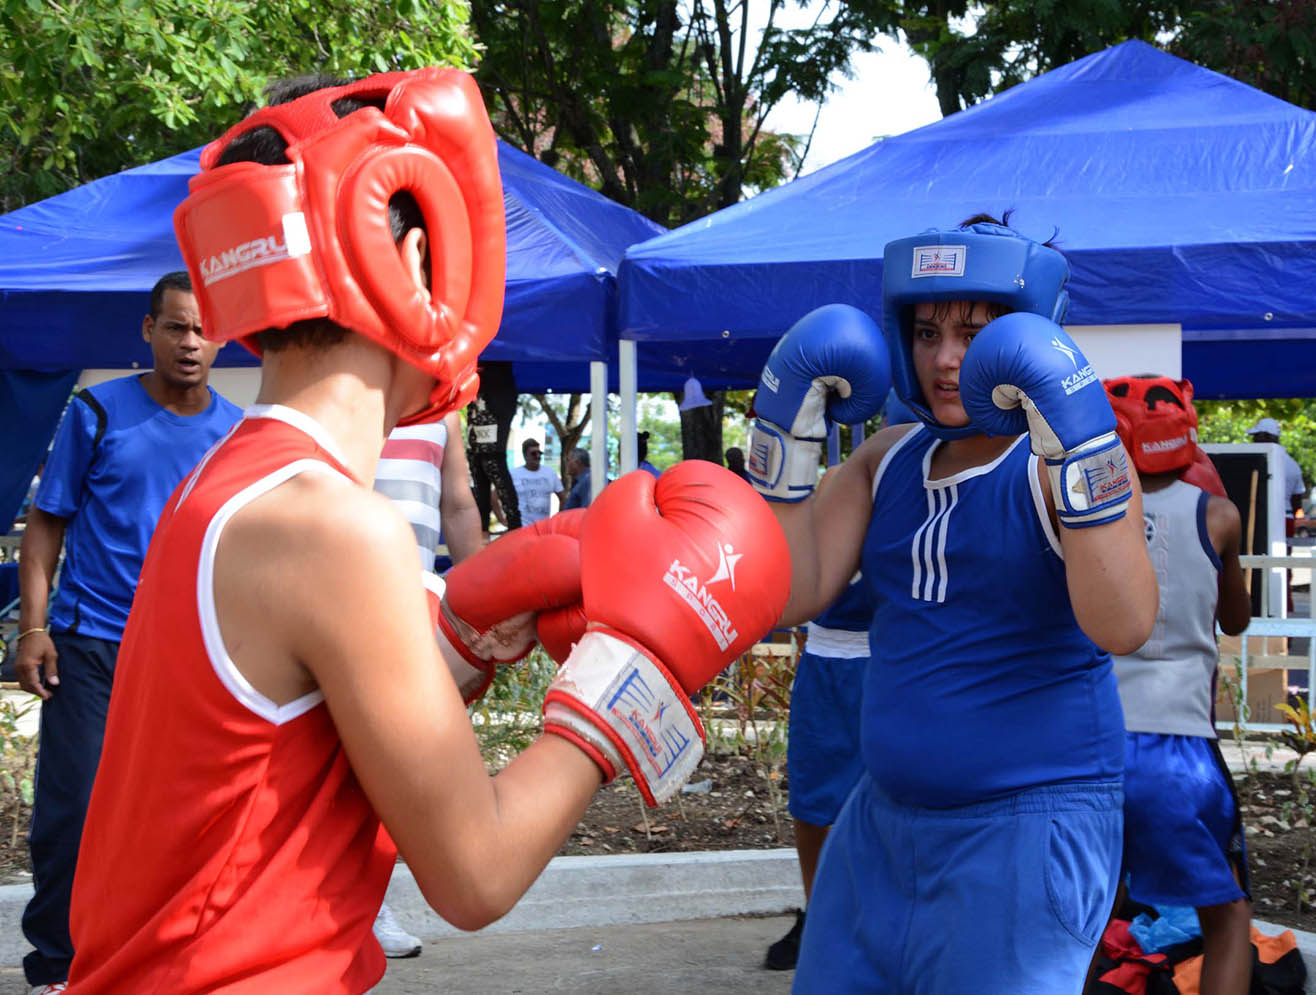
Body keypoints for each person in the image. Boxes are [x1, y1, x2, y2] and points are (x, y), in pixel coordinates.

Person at [63, 69, 788, 993]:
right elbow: (475, 873)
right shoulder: (335, 528)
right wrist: (631, 675)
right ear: (407, 259)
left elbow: (275, 756)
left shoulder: (218, 487)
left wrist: (460, 634)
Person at [745, 216, 1158, 993]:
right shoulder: (887, 457)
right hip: (880, 823)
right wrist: (785, 443)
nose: (944, 358)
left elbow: (1124, 623)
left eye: (973, 332)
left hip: (1026, 824)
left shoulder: (1052, 470)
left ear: (1024, 334)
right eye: (926, 331)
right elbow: (791, 596)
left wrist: (1081, 450)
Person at [14, 271, 242, 992]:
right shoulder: (96, 411)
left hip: (187, 654)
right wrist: (32, 628)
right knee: (76, 809)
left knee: (181, 816)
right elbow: (45, 524)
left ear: (222, 338)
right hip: (90, 645)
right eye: (175, 327)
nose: (190, 343)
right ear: (148, 331)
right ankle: (58, 964)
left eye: (203, 329)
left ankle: (161, 959)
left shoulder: (238, 432)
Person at [1104, 374, 1254, 995]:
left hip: (1094, 743)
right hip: (1180, 749)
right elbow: (1236, 619)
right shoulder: (1218, 515)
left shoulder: (1088, 514)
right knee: (1229, 915)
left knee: (1087, 917)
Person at [370, 411, 483, 958]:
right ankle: (351, 906)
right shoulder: (355, 389)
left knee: (396, 757)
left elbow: (457, 506)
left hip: (415, 603)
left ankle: (368, 901)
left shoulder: (445, 414)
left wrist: (486, 599)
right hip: (346, 588)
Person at [764, 569, 871, 972]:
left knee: (900, 800)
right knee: (810, 802)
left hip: (895, 654)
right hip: (826, 655)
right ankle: (818, 919)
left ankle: (888, 920)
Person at [376, 413, 481, 571]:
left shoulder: (444, 413)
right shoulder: (345, 404)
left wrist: (475, 580)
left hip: (416, 577)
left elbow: (458, 509)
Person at [465, 360, 521, 533]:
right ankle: (482, 527)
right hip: (476, 391)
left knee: (492, 461)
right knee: (477, 463)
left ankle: (514, 525)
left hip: (495, 392)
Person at [1247, 416, 1305, 519]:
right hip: (1286, 517)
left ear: (1267, 437)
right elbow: (1297, 500)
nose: (1254, 440)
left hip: (1262, 519)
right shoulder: (1293, 464)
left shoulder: (1257, 463)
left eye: (1256, 435)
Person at [509, 437, 563, 527]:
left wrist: (558, 519)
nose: (538, 456)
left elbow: (563, 498)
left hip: (544, 528)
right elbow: (495, 496)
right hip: (522, 528)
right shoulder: (514, 474)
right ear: (525, 455)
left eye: (540, 453)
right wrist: (503, 520)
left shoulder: (550, 473)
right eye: (533, 453)